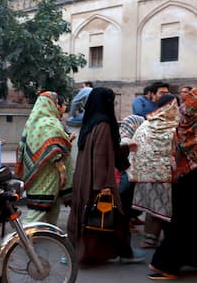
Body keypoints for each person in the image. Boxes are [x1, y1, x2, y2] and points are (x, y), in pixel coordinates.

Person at [66, 87, 144, 264]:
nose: (114, 105)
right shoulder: (103, 124)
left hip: (85, 178)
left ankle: (86, 251)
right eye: (112, 102)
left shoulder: (91, 122)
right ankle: (117, 252)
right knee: (110, 216)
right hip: (97, 181)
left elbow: (106, 150)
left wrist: (124, 149)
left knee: (89, 217)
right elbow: (100, 156)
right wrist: (104, 187)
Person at [148, 87, 197, 280]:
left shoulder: (182, 126)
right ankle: (164, 264)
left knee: (186, 222)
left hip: (180, 178)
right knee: (184, 223)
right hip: (190, 179)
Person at [128, 95, 180, 248]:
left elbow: (136, 146)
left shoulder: (146, 124)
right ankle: (161, 242)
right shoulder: (175, 126)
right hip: (165, 176)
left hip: (144, 176)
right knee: (164, 209)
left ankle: (149, 239)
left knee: (152, 208)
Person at [16, 91, 73, 225]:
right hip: (48, 170)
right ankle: (22, 237)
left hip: (38, 169)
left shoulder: (34, 122)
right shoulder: (48, 122)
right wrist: (62, 169)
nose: (61, 106)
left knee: (51, 204)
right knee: (39, 208)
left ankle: (47, 232)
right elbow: (53, 146)